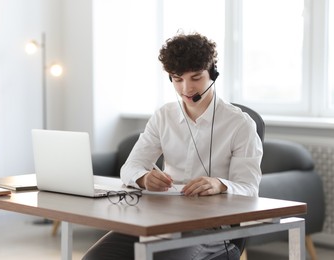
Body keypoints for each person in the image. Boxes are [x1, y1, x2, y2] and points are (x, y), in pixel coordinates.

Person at [83, 32, 263, 260]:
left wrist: (220, 185)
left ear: (213, 74)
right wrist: (143, 178)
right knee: (95, 258)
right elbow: (129, 168)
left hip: (212, 230)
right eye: (177, 79)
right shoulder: (163, 116)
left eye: (195, 78)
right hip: (160, 221)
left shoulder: (240, 125)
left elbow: (249, 189)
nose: (186, 89)